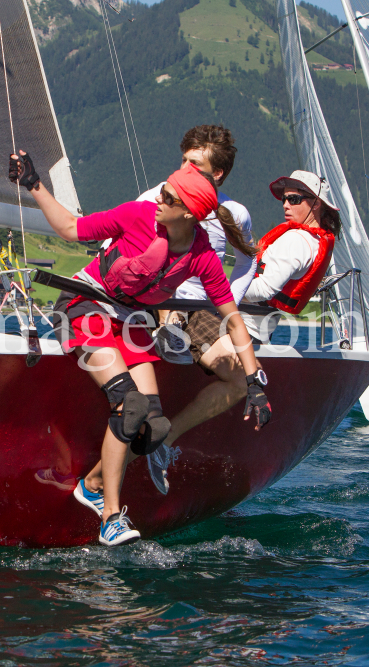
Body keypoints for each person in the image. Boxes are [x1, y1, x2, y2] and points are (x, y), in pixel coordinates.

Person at [8, 149, 269, 547]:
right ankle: (111, 516)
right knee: (128, 405)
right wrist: (34, 184)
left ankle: (93, 483)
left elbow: (232, 318)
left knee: (154, 425)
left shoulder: (201, 256)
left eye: (168, 198)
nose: (158, 199)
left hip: (129, 321)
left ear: (188, 214)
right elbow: (70, 228)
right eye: (163, 192)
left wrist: (254, 382)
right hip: (84, 304)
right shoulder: (136, 215)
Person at [133, 125, 264, 495]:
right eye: (183, 159)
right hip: (152, 295)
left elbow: (247, 263)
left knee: (240, 379)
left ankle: (164, 441)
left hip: (197, 307)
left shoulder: (233, 213)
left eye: (194, 162)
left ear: (217, 173)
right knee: (165, 299)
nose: (184, 167)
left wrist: (226, 303)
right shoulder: (158, 196)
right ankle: (166, 332)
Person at [243, 169, 340, 316]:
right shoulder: (314, 241)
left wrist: (217, 290)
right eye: (284, 199)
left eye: (294, 199)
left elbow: (264, 290)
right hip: (256, 326)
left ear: (316, 204)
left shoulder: (296, 239)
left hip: (240, 324)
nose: (285, 205)